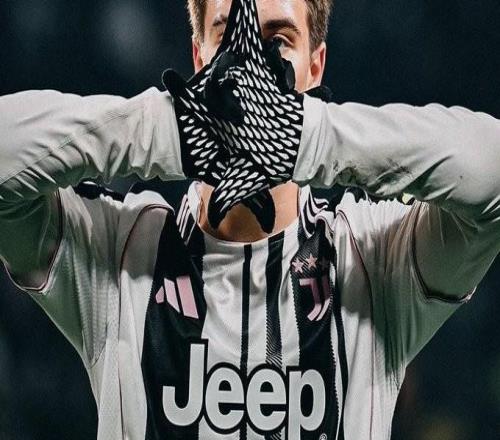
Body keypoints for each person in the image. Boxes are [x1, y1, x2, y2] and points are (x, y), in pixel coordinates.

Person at [0, 0, 499, 439]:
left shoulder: (373, 261)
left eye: (277, 42)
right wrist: (165, 131)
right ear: (199, 59)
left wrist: (307, 137)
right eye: (227, 41)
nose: (250, 70)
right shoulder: (117, 253)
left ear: (315, 66)